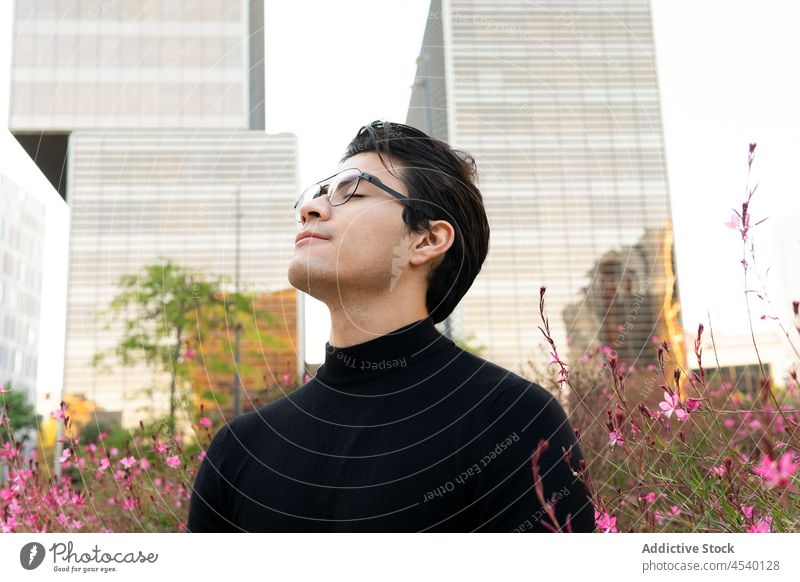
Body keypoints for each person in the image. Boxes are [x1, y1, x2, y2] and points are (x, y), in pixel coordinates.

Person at [187, 120, 595, 532]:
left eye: (353, 192)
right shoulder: (239, 449)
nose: (311, 209)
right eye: (319, 194)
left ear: (426, 240)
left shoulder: (510, 420)